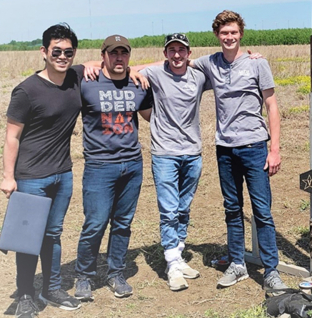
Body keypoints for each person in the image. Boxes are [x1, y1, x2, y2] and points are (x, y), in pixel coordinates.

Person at [189, 10, 288, 293]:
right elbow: (177, 62)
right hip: (225, 149)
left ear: (241, 34)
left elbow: (272, 106)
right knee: (232, 209)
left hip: (255, 147)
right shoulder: (210, 63)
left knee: (262, 211)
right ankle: (237, 264)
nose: (229, 37)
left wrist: (275, 149)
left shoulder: (258, 64)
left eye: (233, 32)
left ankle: (271, 271)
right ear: (217, 36)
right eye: (224, 33)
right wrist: (135, 69)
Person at [1, 24, 83, 317]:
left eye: (68, 52)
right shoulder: (27, 90)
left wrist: (141, 70)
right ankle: (25, 294)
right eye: (56, 51)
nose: (62, 56)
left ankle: (51, 287)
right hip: (32, 176)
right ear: (44, 52)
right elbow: (12, 135)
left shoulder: (75, 76)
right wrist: (8, 177)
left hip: (63, 174)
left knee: (53, 234)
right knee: (28, 238)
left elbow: (108, 65)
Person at [73, 35, 153, 301]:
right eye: (113, 53)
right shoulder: (87, 82)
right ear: (103, 55)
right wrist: (86, 63)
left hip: (132, 164)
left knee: (123, 223)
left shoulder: (138, 84)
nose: (119, 57)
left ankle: (115, 272)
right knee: (95, 222)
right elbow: (56, 71)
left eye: (124, 53)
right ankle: (83, 276)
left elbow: (151, 112)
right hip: (99, 165)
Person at [138, 33, 209, 291]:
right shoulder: (155, 74)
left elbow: (225, 67)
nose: (177, 55)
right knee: (168, 210)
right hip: (165, 153)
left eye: (182, 50)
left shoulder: (199, 76)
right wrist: (90, 66)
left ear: (189, 53)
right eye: (172, 50)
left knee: (183, 208)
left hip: (192, 152)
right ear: (165, 53)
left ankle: (178, 253)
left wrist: (251, 57)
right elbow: (127, 71)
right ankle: (172, 263)